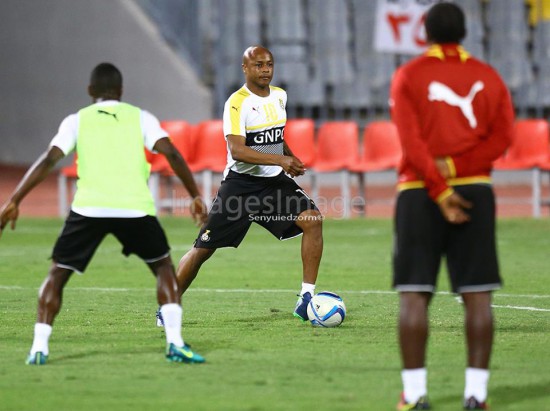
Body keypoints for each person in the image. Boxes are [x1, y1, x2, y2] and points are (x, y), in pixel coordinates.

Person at [0, 62, 208, 365]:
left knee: (57, 274)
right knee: (163, 268)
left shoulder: (76, 120)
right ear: (121, 92)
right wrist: (195, 196)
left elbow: (49, 159)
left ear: (89, 91)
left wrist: (14, 199)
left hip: (88, 208)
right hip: (134, 208)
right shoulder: (141, 117)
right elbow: (172, 153)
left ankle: (39, 347)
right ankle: (175, 343)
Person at [389, 3, 514, 410]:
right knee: (478, 296)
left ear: (423, 32)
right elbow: (502, 139)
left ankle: (415, 394)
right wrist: (459, 170)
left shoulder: (408, 76)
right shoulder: (488, 76)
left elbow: (411, 143)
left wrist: (440, 190)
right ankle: (476, 396)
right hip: (475, 191)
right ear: (464, 33)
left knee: (414, 294)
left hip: (419, 192)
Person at [163, 45, 323, 325]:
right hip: (241, 187)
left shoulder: (280, 96)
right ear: (245, 68)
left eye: (269, 65)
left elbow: (275, 136)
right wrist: (281, 161)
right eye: (259, 65)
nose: (265, 70)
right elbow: (237, 150)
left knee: (312, 220)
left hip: (273, 184)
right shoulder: (236, 103)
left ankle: (306, 299)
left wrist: (289, 155)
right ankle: (168, 307)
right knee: (203, 248)